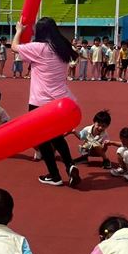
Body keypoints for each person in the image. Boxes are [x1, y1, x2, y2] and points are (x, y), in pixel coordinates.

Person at [11, 17, 81, 188]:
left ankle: (55, 175)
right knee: (57, 137)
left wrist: (19, 31)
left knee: (42, 139)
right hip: (61, 101)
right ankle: (70, 165)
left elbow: (14, 47)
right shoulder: (63, 47)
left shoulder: (39, 47)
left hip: (40, 102)